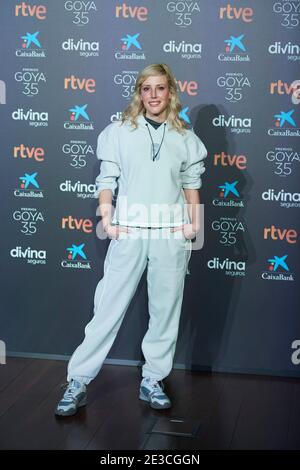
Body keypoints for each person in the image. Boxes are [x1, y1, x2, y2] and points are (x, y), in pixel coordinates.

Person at [55, 63, 207, 417]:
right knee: (107, 308)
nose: (153, 95)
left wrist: (193, 227)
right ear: (139, 93)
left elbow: (191, 185)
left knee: (165, 312)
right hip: (131, 231)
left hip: (171, 234)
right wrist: (107, 217)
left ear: (170, 92)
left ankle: (153, 379)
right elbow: (107, 178)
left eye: (160, 88)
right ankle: (77, 380)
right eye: (146, 88)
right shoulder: (119, 132)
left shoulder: (186, 137)